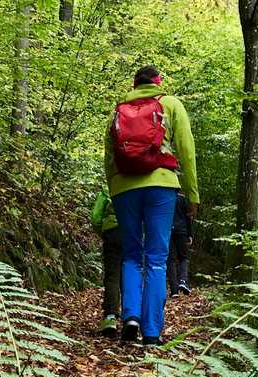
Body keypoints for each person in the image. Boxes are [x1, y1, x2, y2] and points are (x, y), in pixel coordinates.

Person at [104, 64, 198, 345]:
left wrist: (115, 189)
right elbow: (187, 151)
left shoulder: (117, 110)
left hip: (124, 188)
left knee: (131, 255)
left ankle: (130, 317)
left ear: (135, 84)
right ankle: (152, 332)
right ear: (158, 82)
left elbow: (109, 157)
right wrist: (192, 194)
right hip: (161, 186)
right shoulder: (170, 104)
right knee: (156, 258)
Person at [90, 188, 121, 337]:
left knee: (112, 276)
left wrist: (103, 232)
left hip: (112, 233)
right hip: (131, 234)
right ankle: (131, 317)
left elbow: (95, 217)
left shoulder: (107, 189)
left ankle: (110, 317)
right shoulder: (135, 187)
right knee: (130, 275)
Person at [167, 194, 193, 296]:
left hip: (168, 231)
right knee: (183, 258)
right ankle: (183, 281)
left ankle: (174, 290)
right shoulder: (182, 199)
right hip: (181, 231)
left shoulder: (165, 197)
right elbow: (188, 217)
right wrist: (189, 234)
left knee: (171, 259)